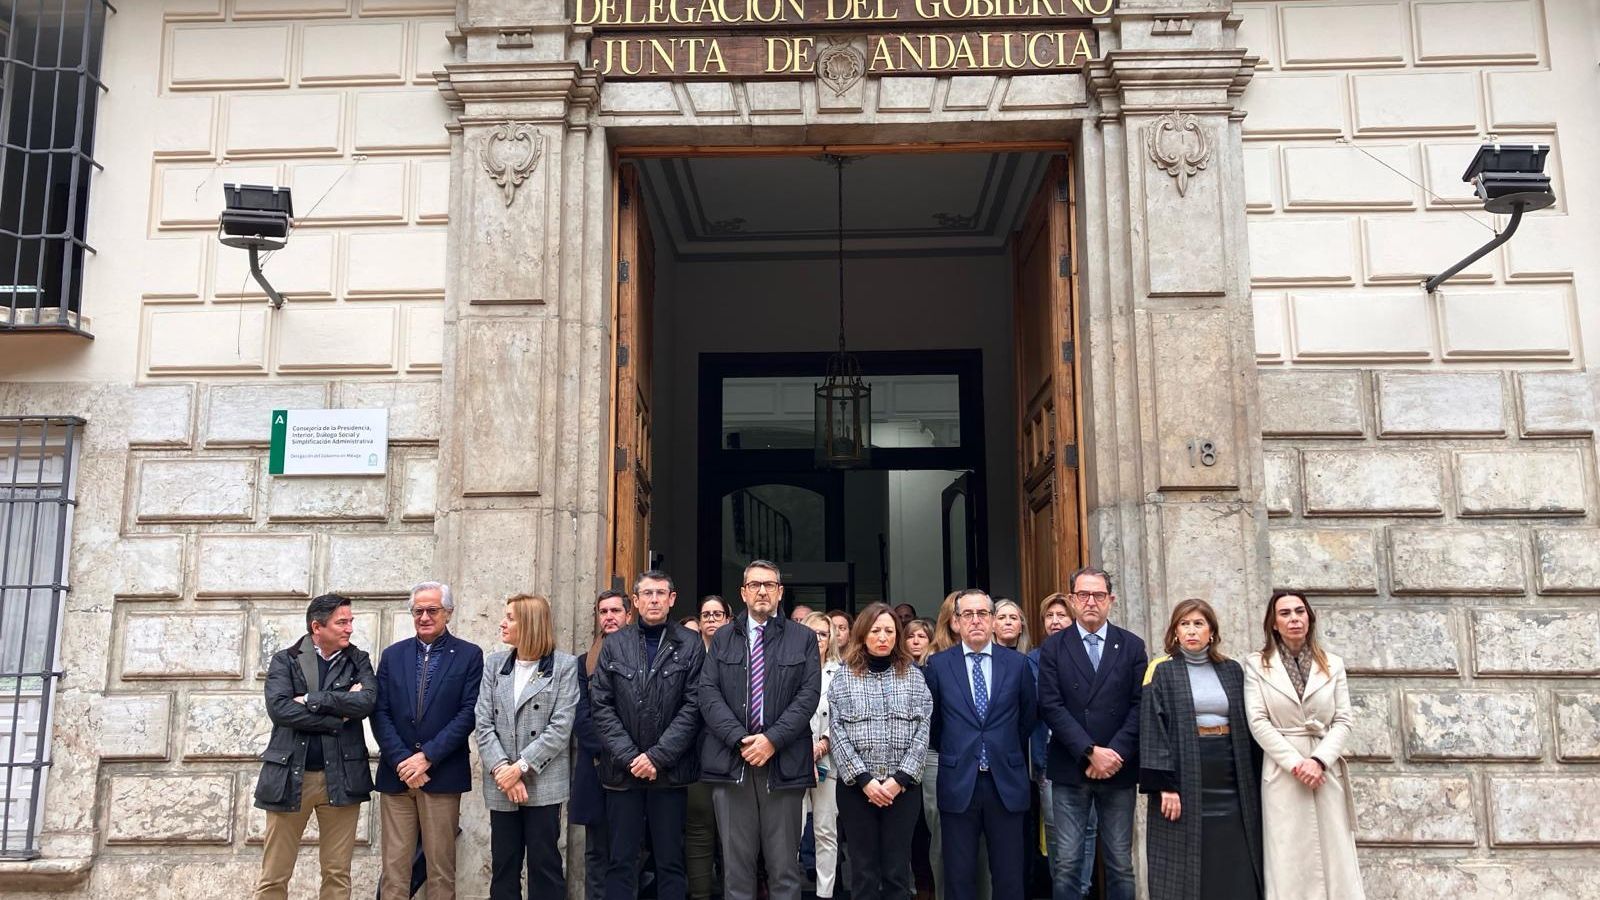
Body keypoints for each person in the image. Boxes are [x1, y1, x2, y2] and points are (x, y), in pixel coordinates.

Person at [699, 559, 822, 900]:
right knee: (736, 872)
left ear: (780, 592)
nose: (762, 591)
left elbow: (808, 696)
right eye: (755, 585)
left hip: (783, 764)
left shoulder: (803, 639)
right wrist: (741, 740)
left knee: (784, 870)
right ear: (743, 592)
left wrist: (771, 740)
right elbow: (707, 694)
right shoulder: (723, 637)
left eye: (769, 584)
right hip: (732, 763)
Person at [591, 571, 706, 900]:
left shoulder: (691, 643)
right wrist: (631, 757)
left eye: (661, 593)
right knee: (621, 862)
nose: (654, 599)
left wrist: (657, 756)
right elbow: (601, 705)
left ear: (672, 599)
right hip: (621, 773)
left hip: (669, 773)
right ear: (636, 601)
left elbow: (694, 705)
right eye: (647, 594)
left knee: (670, 861)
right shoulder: (614, 644)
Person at [253, 594, 377, 900]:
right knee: (274, 874)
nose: (349, 628)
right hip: (290, 777)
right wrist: (339, 717)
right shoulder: (286, 659)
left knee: (337, 873)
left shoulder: (357, 659)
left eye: (351, 621)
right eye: (342, 622)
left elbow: (367, 701)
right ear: (317, 627)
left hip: (342, 777)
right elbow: (280, 710)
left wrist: (311, 700)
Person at [1139, 599, 1263, 900]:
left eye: (1198, 624)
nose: (1191, 631)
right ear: (1175, 632)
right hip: (1185, 774)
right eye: (1184, 624)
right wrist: (1165, 787)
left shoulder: (1232, 670)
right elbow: (1152, 729)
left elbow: (1250, 724)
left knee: (1235, 855)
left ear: (1212, 631)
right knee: (1185, 861)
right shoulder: (1162, 671)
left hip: (1231, 775)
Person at [1243, 591, 1363, 900]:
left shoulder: (1333, 664)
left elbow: (1344, 720)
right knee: (1289, 855)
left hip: (1325, 769)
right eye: (1285, 613)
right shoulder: (1257, 665)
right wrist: (1296, 763)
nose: (1293, 618)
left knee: (1335, 856)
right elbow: (1258, 722)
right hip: (1284, 772)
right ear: (1274, 623)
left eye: (1299, 611)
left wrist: (1319, 760)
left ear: (1309, 618)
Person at [1038, 566, 1146, 900]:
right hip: (1071, 766)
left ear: (1111, 600)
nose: (1091, 602)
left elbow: (1139, 704)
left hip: (1118, 767)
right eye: (1083, 595)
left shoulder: (1131, 645)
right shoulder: (1054, 647)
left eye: (1098, 595)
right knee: (1068, 862)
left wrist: (1112, 754)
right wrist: (1089, 751)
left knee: (1119, 863)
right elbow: (1051, 705)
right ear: (1072, 600)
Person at [372, 581, 485, 900]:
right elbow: (380, 712)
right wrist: (402, 761)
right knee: (394, 871)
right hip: (397, 777)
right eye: (417, 611)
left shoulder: (469, 655)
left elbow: (468, 713)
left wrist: (428, 757)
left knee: (440, 871)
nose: (424, 617)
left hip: (442, 774)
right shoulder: (393, 655)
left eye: (432, 610)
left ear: (448, 613)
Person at [922, 589, 1038, 900]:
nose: (976, 621)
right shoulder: (938, 666)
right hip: (959, 780)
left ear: (992, 621)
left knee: (1009, 877)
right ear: (956, 622)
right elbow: (933, 724)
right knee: (959, 877)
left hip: (1006, 781)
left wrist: (1003, 749)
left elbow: (1027, 717)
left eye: (983, 614)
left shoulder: (1017, 664)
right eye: (968, 615)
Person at [475, 594, 579, 900]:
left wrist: (520, 768)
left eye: (510, 617)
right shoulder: (495, 664)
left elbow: (561, 727)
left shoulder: (564, 666)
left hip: (542, 782)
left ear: (530, 623)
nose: (502, 623)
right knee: (504, 865)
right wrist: (502, 770)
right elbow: (482, 721)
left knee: (544, 863)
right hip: (501, 782)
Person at [828, 603, 933, 900]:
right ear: (863, 634)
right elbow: (837, 732)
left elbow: (922, 731)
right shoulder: (844, 678)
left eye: (889, 631)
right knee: (863, 872)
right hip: (856, 790)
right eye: (876, 631)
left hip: (902, 790)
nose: (883, 637)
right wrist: (865, 780)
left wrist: (899, 779)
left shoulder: (912, 677)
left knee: (897, 872)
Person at [1029, 593, 1095, 900]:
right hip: (1052, 761)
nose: (1055, 621)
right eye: (1049, 616)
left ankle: (1081, 891)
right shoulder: (1033, 661)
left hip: (1093, 759)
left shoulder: (1095, 654)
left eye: (1062, 615)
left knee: (1090, 831)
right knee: (1058, 834)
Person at [574, 590, 631, 900]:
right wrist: (613, 750)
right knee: (596, 852)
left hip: (634, 770)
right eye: (603, 611)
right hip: (597, 767)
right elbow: (581, 716)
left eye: (615, 611)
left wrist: (628, 754)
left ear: (628, 615)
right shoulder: (584, 663)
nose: (609, 617)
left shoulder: (644, 655)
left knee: (628, 853)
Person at [687, 594, 733, 900]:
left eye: (718, 614)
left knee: (733, 835)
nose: (712, 619)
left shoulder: (742, 652)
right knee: (699, 830)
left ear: (728, 620)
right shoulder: (688, 655)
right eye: (706, 614)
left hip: (733, 754)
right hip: (695, 755)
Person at [802, 612, 844, 900]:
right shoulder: (789, 667)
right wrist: (805, 747)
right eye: (812, 633)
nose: (818, 638)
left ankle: (824, 893)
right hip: (794, 756)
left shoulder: (842, 672)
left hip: (829, 758)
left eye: (823, 633)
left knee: (826, 830)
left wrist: (824, 743)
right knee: (791, 830)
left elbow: (845, 714)